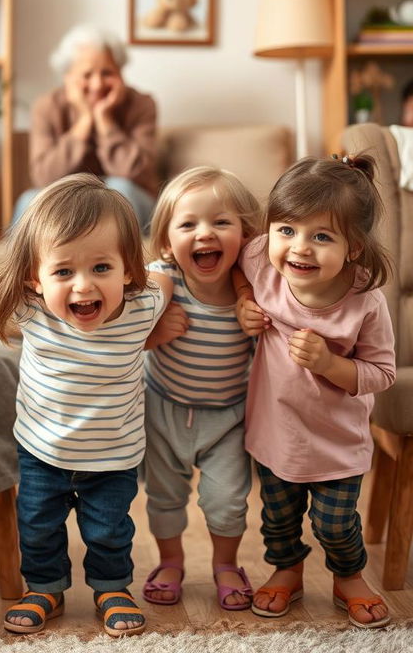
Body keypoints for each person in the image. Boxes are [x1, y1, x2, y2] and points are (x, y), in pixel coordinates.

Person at [0, 173, 174, 637]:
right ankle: (44, 587)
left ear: (127, 271)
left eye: (102, 268)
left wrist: (160, 300)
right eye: (63, 272)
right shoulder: (32, 310)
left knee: (109, 531)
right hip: (42, 453)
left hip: (113, 458)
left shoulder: (142, 306)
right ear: (35, 280)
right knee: (37, 528)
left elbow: (163, 279)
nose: (84, 286)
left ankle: (112, 587)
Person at [235, 154, 395, 629]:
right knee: (278, 520)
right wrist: (245, 301)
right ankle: (288, 570)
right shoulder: (262, 263)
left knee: (334, 524)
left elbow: (381, 373)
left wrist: (329, 363)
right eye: (286, 230)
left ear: (354, 247)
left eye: (321, 236)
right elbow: (240, 265)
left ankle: (349, 576)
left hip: (337, 440)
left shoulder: (366, 301)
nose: (298, 249)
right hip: (275, 433)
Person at [141, 167, 261, 611]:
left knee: (228, 501)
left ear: (246, 236)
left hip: (227, 417)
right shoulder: (163, 280)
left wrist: (256, 320)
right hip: (162, 407)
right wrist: (153, 332)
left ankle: (226, 565)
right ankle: (170, 561)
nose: (204, 233)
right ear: (168, 242)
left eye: (221, 222)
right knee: (164, 497)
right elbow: (123, 326)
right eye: (188, 224)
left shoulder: (254, 295)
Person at [13, 25, 159, 231]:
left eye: (107, 72)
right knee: (29, 200)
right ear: (68, 77)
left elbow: (136, 172)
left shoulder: (142, 104)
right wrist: (84, 121)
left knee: (119, 191)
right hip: (68, 197)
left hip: (131, 198)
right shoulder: (46, 106)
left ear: (120, 73)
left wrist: (105, 120)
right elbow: (44, 177)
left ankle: (125, 261)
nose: (97, 84)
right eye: (87, 74)